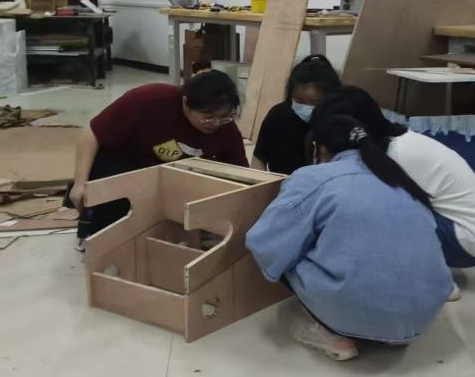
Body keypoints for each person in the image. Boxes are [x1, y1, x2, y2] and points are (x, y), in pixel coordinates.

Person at [246, 114, 453, 361]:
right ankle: (392, 332)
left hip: (356, 314)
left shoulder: (312, 178)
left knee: (283, 249)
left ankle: (332, 336)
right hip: (422, 316)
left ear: (318, 148)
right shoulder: (399, 178)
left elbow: (264, 243)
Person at [311, 87, 475, 277]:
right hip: (474, 232)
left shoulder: (395, 155)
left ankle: (420, 277)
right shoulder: (397, 142)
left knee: (367, 218)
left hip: (467, 240)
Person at [68, 70, 248, 245]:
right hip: (129, 166)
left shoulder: (226, 130)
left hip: (173, 180)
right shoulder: (149, 100)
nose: (215, 123)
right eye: (208, 117)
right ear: (186, 103)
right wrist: (80, 183)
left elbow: (242, 179)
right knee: (112, 227)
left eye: (224, 117)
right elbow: (92, 134)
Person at [251, 54, 340, 174]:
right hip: (282, 183)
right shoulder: (278, 115)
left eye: (314, 102)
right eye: (299, 101)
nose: (306, 107)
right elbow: (258, 158)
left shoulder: (339, 122)